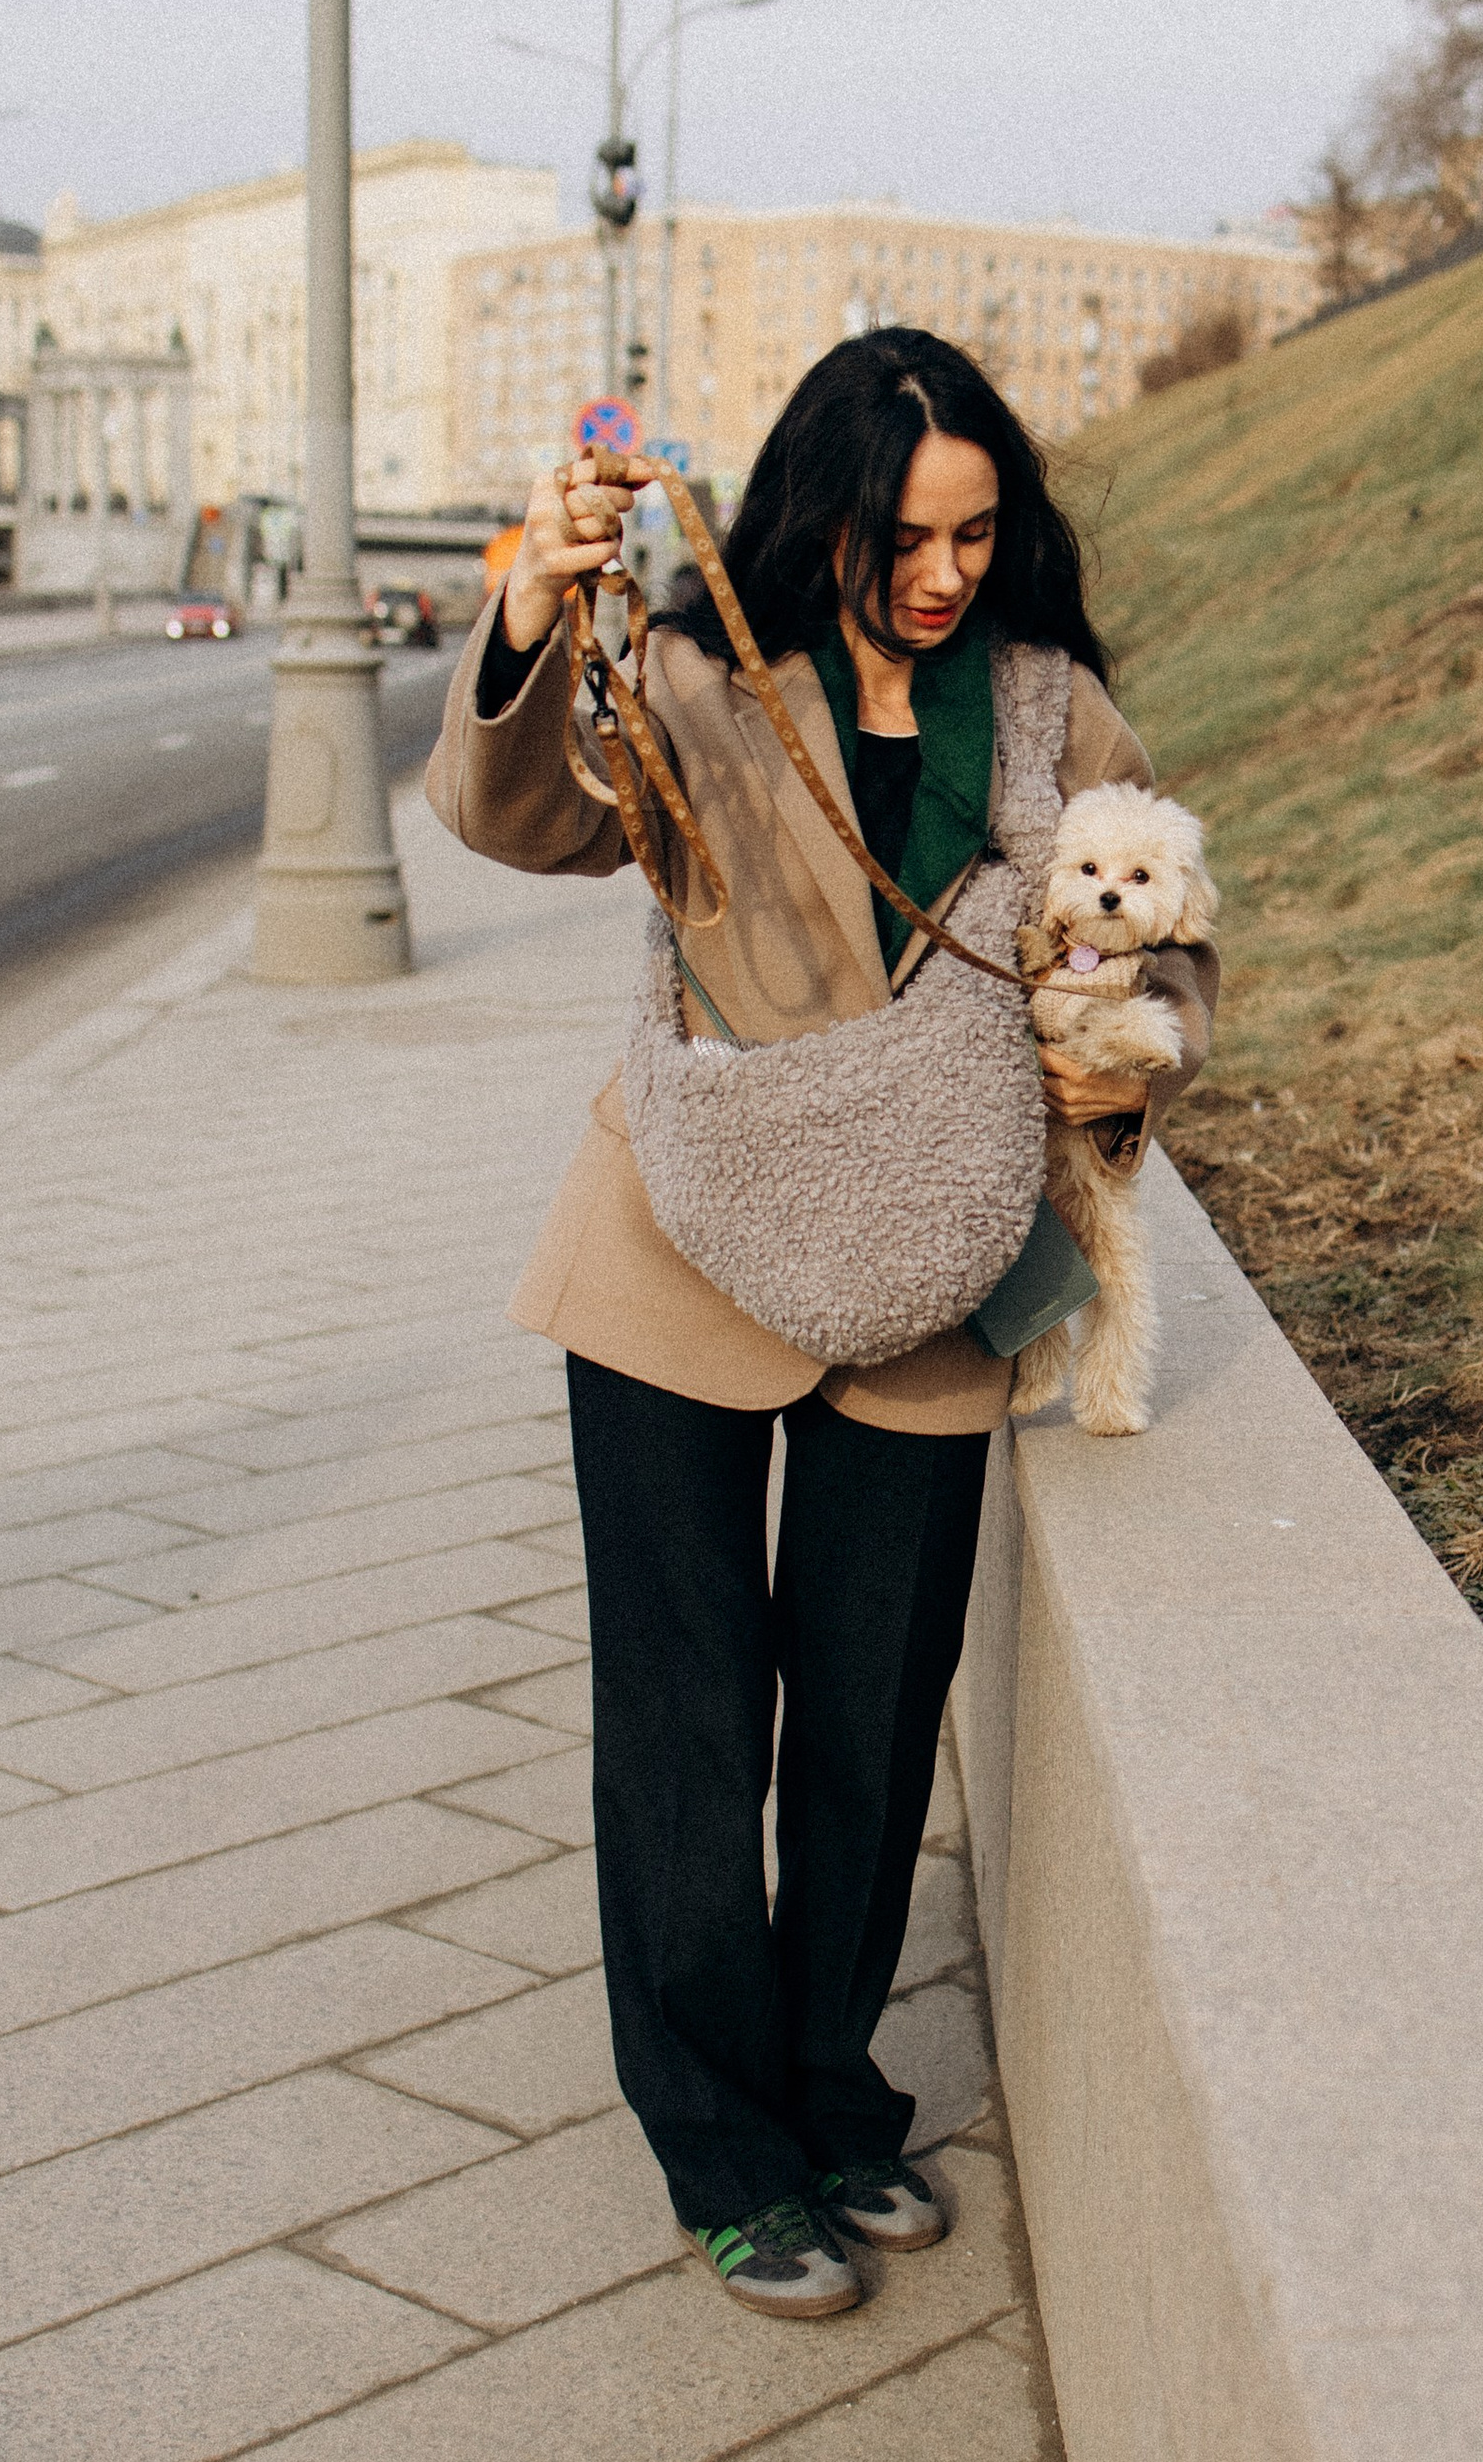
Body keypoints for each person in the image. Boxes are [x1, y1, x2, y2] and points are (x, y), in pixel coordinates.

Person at [426, 330, 1216, 2317]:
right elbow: (515, 815)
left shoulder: (1048, 714)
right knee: (690, 1731)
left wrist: (1124, 1077)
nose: (942, 575)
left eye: (974, 532)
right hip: (675, 1255)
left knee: (866, 1724)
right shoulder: (691, 677)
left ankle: (830, 2092)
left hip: (933, 1271)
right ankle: (720, 2150)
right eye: (900, 539)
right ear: (817, 520)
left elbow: (1168, 948)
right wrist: (537, 593)